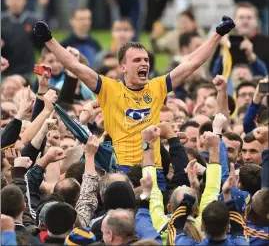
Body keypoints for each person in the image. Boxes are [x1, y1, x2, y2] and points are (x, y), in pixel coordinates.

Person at [32, 14, 235, 190]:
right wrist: (49, 40)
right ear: (123, 67)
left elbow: (191, 62)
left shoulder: (157, 87)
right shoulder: (109, 88)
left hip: (154, 171)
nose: (144, 63)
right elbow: (75, 66)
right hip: (121, 171)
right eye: (137, 60)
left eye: (145, 60)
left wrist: (217, 34)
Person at [1, 0, 42, 78]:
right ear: (5, 1)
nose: (14, 2)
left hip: (28, 71)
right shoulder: (1, 21)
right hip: (5, 72)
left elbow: (43, 48)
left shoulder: (34, 21)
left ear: (25, 0)